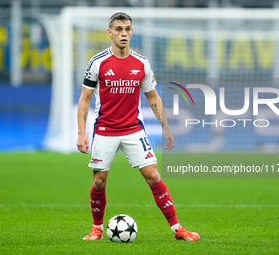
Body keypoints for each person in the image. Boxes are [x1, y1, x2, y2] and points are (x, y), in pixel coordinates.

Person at [77, 12, 199, 242]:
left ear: (132, 31)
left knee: (153, 175)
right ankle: (96, 228)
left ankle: (177, 229)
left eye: (128, 29)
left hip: (134, 129)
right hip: (105, 129)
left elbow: (152, 96)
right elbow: (84, 100)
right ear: (110, 32)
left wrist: (165, 127)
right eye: (119, 29)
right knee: (99, 181)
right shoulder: (98, 62)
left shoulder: (141, 63)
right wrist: (82, 132)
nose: (124, 33)